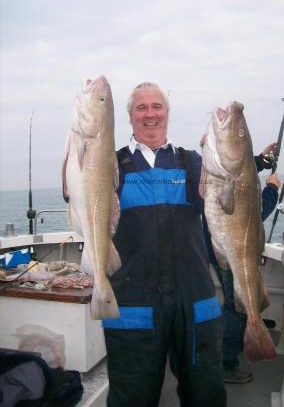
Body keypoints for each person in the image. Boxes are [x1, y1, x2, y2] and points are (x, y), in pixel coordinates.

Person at [102, 82, 227, 407]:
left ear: (167, 114)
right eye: (141, 108)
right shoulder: (109, 166)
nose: (150, 114)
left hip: (195, 298)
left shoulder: (192, 163)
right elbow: (77, 195)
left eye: (156, 106)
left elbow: (226, 207)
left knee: (206, 394)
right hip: (134, 303)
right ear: (130, 116)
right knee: (132, 397)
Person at [206, 144, 281, 384]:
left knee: (234, 304)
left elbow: (238, 178)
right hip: (234, 252)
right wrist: (272, 189)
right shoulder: (216, 171)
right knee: (236, 309)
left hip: (221, 248)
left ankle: (238, 344)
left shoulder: (217, 171)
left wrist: (258, 160)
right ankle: (226, 365)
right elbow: (255, 213)